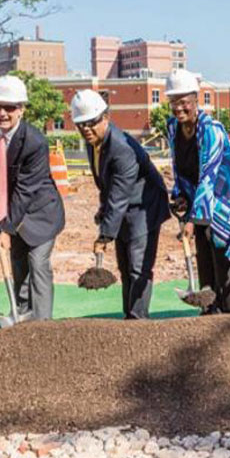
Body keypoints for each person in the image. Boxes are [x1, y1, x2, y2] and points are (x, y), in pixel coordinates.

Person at [71, 90, 170, 319]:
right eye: (80, 124)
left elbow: (119, 195)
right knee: (125, 267)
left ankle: (138, 320)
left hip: (144, 208)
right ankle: (129, 317)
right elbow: (108, 187)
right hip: (125, 206)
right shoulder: (93, 143)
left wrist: (104, 235)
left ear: (105, 117)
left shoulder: (121, 148)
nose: (86, 128)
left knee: (138, 268)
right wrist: (103, 211)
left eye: (91, 122)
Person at [167, 69, 230, 314]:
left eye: (184, 102)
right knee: (203, 254)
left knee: (222, 258)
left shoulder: (211, 130)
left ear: (196, 101)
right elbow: (179, 167)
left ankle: (229, 318)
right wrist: (180, 196)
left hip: (228, 197)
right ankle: (208, 311)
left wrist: (192, 219)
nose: (178, 108)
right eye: (174, 102)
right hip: (201, 200)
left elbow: (208, 173)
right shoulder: (173, 128)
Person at [0, 75, 65, 321]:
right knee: (18, 265)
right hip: (12, 210)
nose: (3, 113)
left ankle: (42, 325)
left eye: (10, 107)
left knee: (37, 263)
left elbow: (26, 191)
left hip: (41, 213)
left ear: (22, 109)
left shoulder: (34, 142)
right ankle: (22, 314)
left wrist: (6, 228)